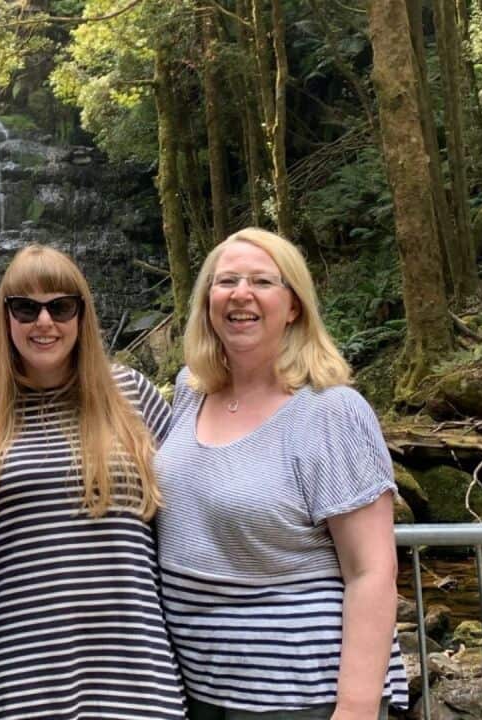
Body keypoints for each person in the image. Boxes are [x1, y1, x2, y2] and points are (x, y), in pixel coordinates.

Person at [154, 228, 409, 718]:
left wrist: (355, 708)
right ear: (208, 300)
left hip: (301, 695)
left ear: (294, 306)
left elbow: (373, 571)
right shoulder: (192, 392)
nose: (241, 293)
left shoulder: (330, 411)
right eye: (225, 280)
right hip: (202, 688)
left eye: (262, 281)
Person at [0, 244, 186, 719]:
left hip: (136, 666)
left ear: (81, 315)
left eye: (60, 306)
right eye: (25, 308)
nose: (43, 321)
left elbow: (189, 514)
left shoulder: (131, 394)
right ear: (5, 317)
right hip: (17, 670)